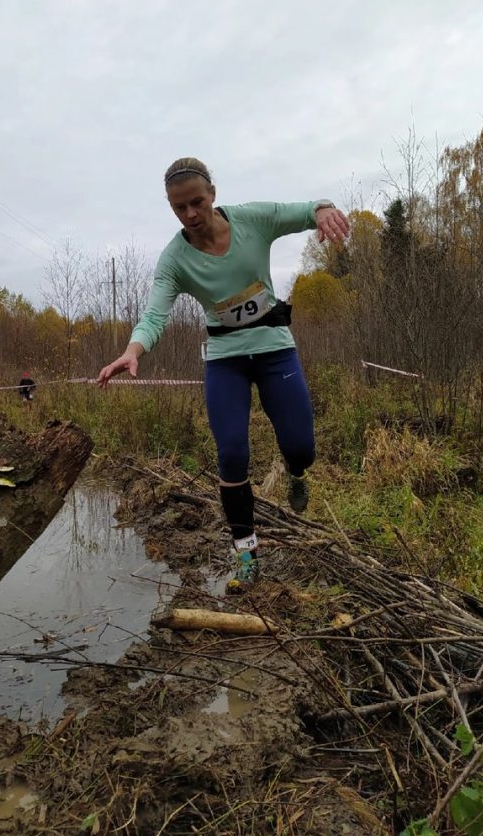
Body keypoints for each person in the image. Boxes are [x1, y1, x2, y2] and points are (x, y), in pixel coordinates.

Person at [97, 158, 350, 593]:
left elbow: (305, 210)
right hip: (225, 359)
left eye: (197, 202)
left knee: (301, 448)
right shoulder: (175, 259)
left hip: (274, 350)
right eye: (179, 208)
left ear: (212, 194)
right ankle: (246, 554)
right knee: (231, 453)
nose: (191, 214)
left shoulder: (253, 220)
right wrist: (132, 351)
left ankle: (296, 473)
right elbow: (154, 315)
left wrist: (324, 209)